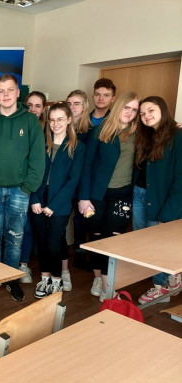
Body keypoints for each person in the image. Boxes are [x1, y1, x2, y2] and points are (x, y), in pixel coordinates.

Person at [0, 74, 45, 302]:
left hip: (19, 191)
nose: (5, 95)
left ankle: (11, 279)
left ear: (17, 93)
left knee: (15, 237)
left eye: (10, 90)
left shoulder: (30, 121)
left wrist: (27, 188)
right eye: (1, 91)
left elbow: (38, 158)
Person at [78, 92, 139, 302]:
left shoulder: (138, 133)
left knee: (112, 239)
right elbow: (86, 166)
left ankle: (108, 287)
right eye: (127, 108)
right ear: (119, 106)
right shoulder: (99, 131)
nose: (130, 113)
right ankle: (98, 279)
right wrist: (83, 197)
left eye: (134, 110)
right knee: (96, 237)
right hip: (96, 195)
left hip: (122, 194)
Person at [30, 102, 84, 298]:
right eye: (52, 120)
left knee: (54, 243)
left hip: (60, 202)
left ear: (69, 119)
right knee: (42, 241)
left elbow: (73, 180)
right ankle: (44, 278)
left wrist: (53, 205)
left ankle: (56, 279)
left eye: (60, 119)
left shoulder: (77, 147)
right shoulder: (41, 143)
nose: (55, 124)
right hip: (38, 197)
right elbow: (32, 171)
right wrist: (35, 198)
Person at [133, 96, 182, 304]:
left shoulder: (177, 136)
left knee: (157, 245)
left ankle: (161, 288)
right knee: (144, 241)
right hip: (139, 194)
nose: (146, 116)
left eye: (151, 110)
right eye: (142, 113)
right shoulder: (145, 135)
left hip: (160, 199)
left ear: (162, 109)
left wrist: (168, 214)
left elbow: (180, 180)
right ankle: (169, 279)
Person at [19, 90, 48, 283]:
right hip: (20, 186)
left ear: (43, 109)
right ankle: (21, 264)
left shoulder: (49, 130)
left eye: (38, 106)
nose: (33, 109)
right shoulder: (18, 125)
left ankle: (26, 265)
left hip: (40, 188)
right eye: (29, 105)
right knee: (24, 227)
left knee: (36, 229)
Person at [67, 89, 93, 275]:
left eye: (76, 104)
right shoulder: (62, 127)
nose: (72, 107)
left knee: (84, 220)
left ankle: (84, 255)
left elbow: (88, 164)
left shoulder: (91, 131)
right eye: (69, 104)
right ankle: (73, 253)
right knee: (67, 220)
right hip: (66, 184)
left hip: (84, 186)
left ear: (84, 107)